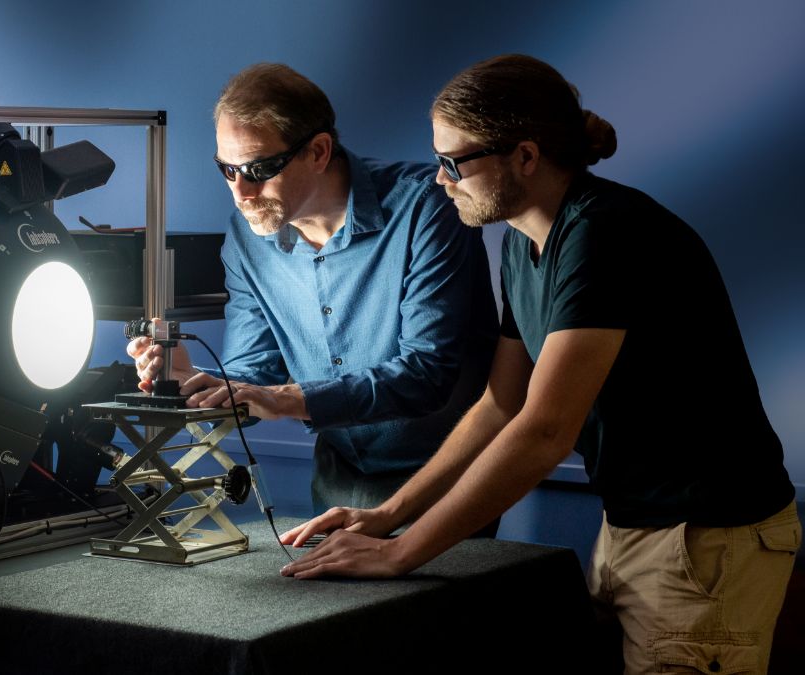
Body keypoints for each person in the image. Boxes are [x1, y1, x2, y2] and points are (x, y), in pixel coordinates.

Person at [279, 54, 800, 675]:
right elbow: (501, 405)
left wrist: (400, 555)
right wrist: (388, 515)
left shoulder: (604, 232)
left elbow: (545, 430)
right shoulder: (525, 248)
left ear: (524, 156)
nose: (439, 180)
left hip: (706, 540)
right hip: (635, 527)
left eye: (453, 162)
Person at [127, 63, 499, 513]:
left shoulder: (426, 208)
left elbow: (426, 374)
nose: (241, 191)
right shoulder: (246, 239)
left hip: (449, 477)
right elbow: (256, 373)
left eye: (260, 168)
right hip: (338, 477)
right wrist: (194, 382)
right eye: (227, 169)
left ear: (319, 152)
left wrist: (288, 399)